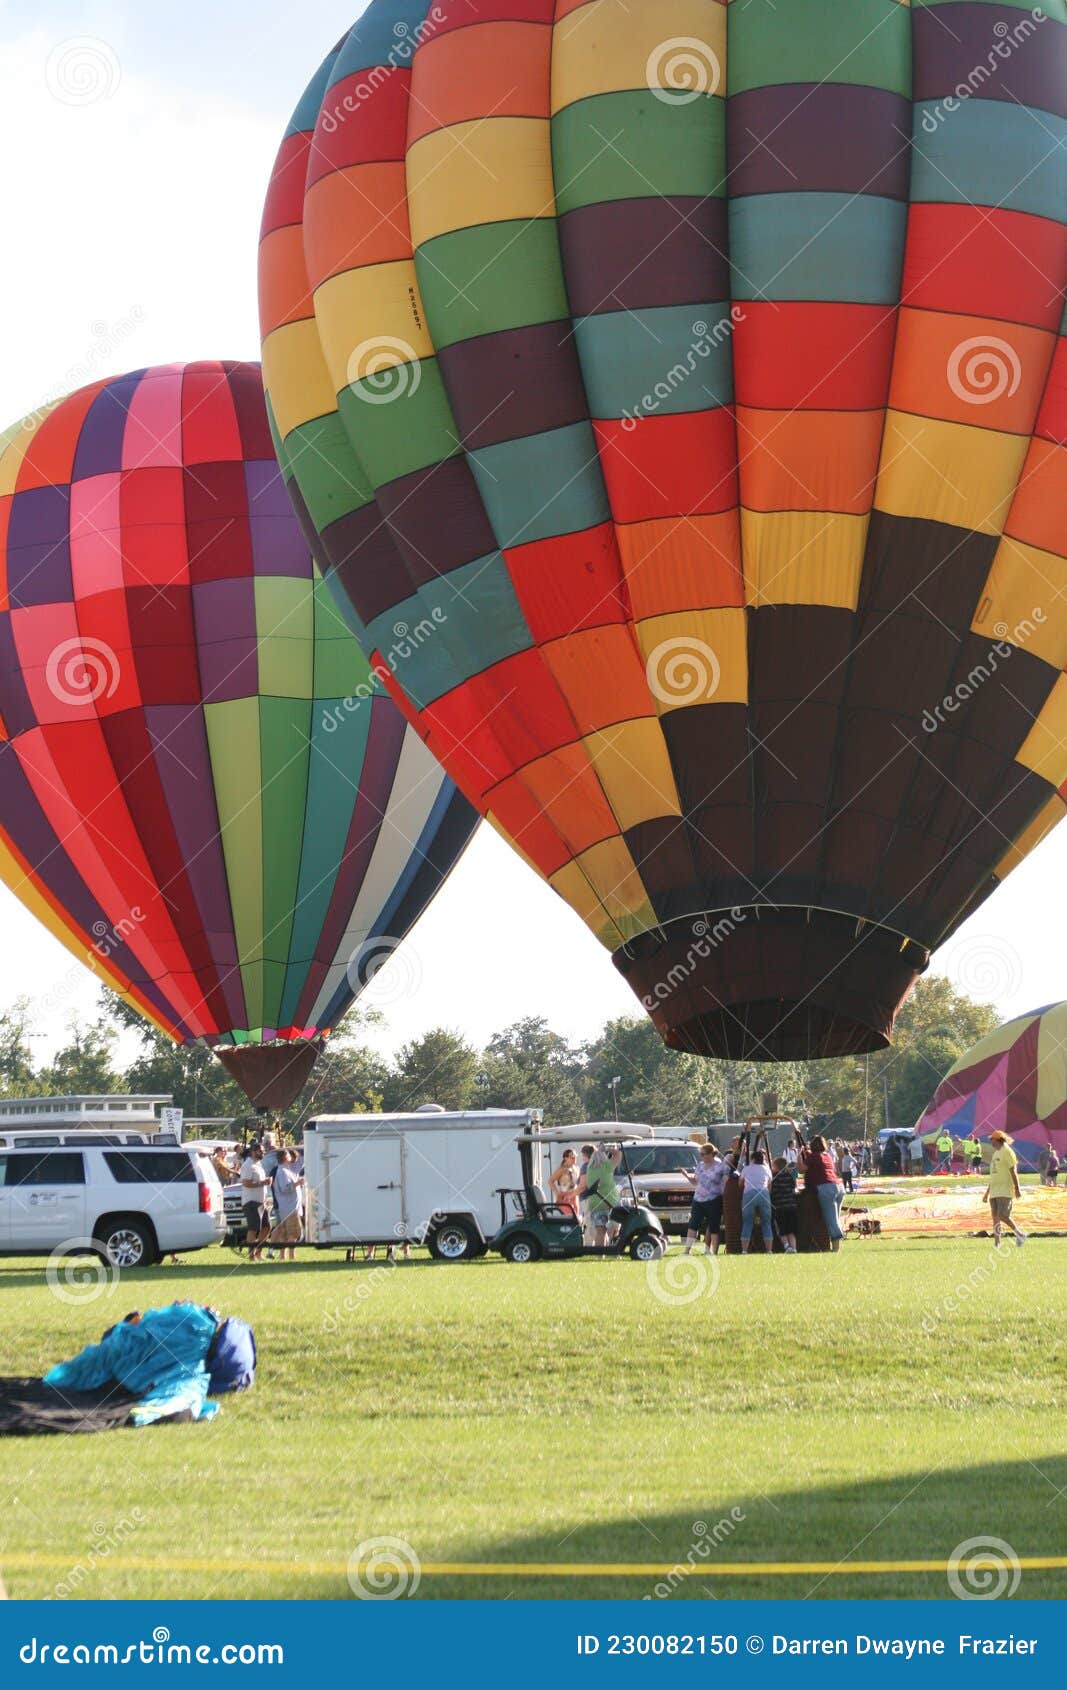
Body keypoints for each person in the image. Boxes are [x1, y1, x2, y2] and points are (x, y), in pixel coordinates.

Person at [799, 1134, 844, 1252]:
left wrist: (799, 1155)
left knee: (831, 1220)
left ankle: (835, 1249)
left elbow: (801, 1169)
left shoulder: (814, 1156)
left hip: (826, 1188)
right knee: (836, 1218)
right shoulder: (827, 1155)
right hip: (838, 1186)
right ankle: (835, 1246)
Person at [681, 1143, 725, 1255]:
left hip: (713, 1200)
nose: (701, 1156)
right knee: (693, 1225)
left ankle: (713, 1251)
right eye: (700, 1154)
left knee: (714, 1226)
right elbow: (695, 1181)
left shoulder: (720, 1166)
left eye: (703, 1154)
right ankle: (687, 1251)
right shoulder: (700, 1165)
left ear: (711, 1154)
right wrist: (687, 1176)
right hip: (698, 1200)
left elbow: (726, 1179)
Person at [984, 1129, 1026, 1248]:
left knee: (1003, 1215)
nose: (991, 1142)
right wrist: (987, 1193)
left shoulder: (1007, 1151)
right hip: (994, 1190)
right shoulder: (996, 1153)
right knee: (995, 1218)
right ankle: (997, 1243)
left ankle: (1020, 1234)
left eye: (992, 1139)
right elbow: (994, 1174)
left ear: (998, 1140)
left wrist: (1017, 1188)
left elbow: (1013, 1170)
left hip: (1005, 1189)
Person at [579, 1145, 622, 1247]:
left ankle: (600, 1254)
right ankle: (614, 1250)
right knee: (615, 1229)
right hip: (611, 1202)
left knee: (600, 1232)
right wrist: (606, 1149)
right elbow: (618, 1154)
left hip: (595, 1203)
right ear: (604, 1158)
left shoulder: (589, 1169)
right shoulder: (607, 1166)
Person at [268, 1148, 305, 1261]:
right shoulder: (283, 1172)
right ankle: (291, 1256)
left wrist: (297, 1184)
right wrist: (297, 1183)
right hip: (289, 1208)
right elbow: (285, 1188)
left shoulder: (286, 1170)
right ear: (285, 1158)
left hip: (290, 1207)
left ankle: (283, 1256)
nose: (291, 1158)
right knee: (293, 1233)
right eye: (289, 1156)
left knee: (285, 1233)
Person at [239, 1142, 272, 1263]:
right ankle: (251, 1255)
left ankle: (258, 1253)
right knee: (253, 1228)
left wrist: (267, 1182)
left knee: (267, 1227)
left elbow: (260, 1181)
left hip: (261, 1201)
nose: (262, 1153)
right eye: (260, 1151)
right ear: (253, 1152)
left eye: (262, 1150)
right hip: (251, 1202)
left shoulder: (258, 1164)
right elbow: (246, 1183)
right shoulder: (248, 1165)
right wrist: (262, 1183)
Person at [739, 1151, 773, 1254]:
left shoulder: (747, 1168)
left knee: (747, 1222)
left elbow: (740, 1182)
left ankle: (744, 1250)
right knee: (766, 1222)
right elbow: (769, 1184)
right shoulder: (767, 1169)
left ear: (753, 1159)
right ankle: (769, 1250)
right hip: (764, 1193)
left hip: (749, 1194)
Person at [770, 1156, 798, 1252]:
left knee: (781, 1229)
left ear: (776, 1167)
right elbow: (794, 1188)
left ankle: (786, 1246)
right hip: (791, 1206)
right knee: (791, 1229)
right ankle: (794, 1248)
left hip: (779, 1207)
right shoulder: (790, 1176)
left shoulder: (774, 1178)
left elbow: (771, 1191)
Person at [549, 1148, 580, 1218]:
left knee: (576, 1218)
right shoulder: (562, 1169)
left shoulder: (576, 1168)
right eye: (572, 1157)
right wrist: (557, 1193)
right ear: (565, 1158)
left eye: (575, 1157)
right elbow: (550, 1181)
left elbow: (578, 1183)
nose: (574, 1159)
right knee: (570, 1218)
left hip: (574, 1196)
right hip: (565, 1198)